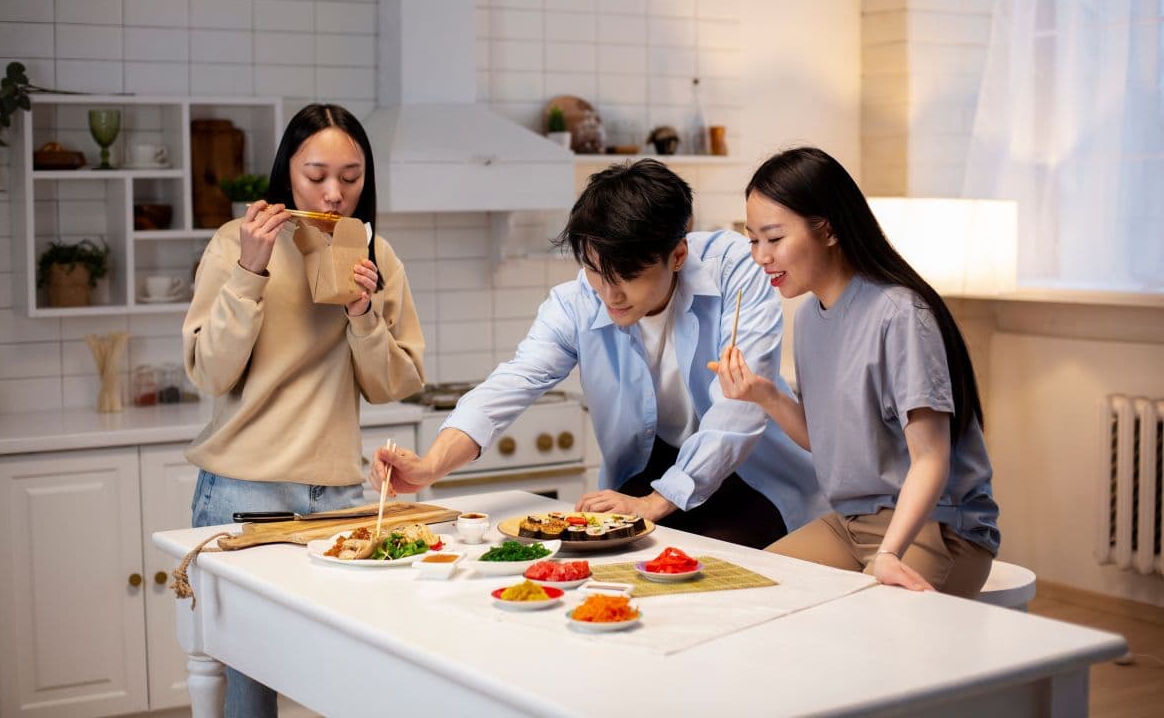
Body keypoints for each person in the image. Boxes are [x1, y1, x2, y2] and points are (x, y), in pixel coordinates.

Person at [371, 159, 825, 548]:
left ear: (678, 255)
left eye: (627, 275)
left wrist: (655, 500)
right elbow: (511, 384)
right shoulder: (575, 303)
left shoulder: (735, 269)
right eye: (593, 270)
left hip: (752, 468)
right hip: (652, 467)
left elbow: (739, 408)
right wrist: (430, 466)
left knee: (711, 562)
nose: (610, 293)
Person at [182, 103, 425, 717]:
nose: (334, 192)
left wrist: (363, 313)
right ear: (286, 171)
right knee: (248, 691)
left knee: (347, 676)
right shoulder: (234, 245)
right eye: (316, 174)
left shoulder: (374, 253)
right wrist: (249, 272)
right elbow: (210, 373)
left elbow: (395, 382)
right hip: (244, 490)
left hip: (338, 494)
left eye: (351, 176)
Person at [715, 146, 999, 597]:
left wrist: (887, 555)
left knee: (867, 626)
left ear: (826, 229)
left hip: (935, 528)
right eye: (753, 240)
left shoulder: (900, 313)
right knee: (751, 594)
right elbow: (827, 441)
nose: (760, 256)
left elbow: (931, 458)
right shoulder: (809, 318)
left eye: (773, 238)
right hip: (850, 525)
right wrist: (763, 394)